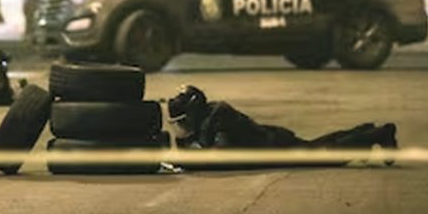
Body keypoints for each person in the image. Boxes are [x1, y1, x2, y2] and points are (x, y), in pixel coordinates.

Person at [167, 85, 398, 165]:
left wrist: (190, 158)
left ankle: (377, 134)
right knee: (320, 146)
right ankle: (366, 132)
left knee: (326, 154)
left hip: (274, 145)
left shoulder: (218, 118)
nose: (183, 126)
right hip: (271, 140)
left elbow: (222, 155)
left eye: (184, 120)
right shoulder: (208, 116)